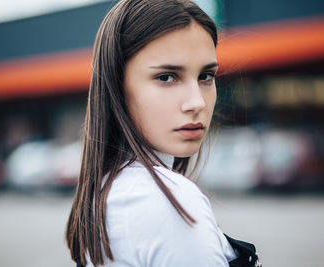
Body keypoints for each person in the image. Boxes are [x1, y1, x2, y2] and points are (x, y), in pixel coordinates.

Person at [65, 0, 261, 266]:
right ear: (116, 84)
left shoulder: (111, 191)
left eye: (206, 76)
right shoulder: (165, 199)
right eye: (167, 77)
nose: (197, 103)